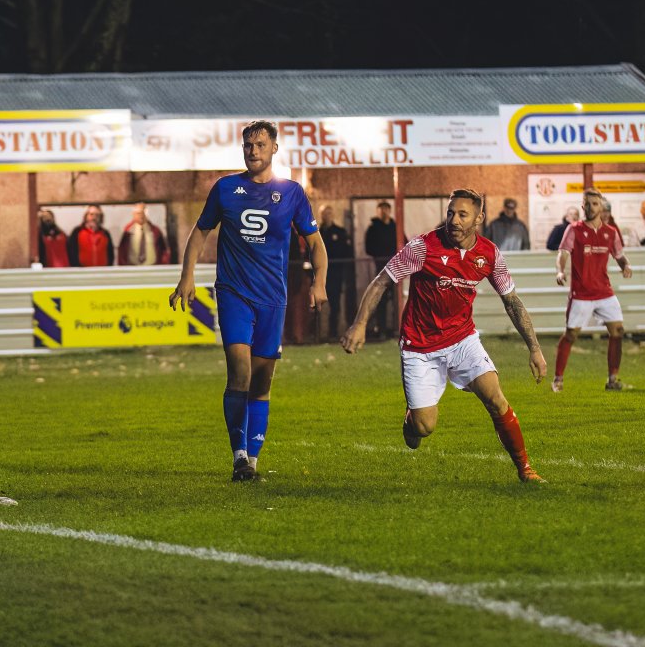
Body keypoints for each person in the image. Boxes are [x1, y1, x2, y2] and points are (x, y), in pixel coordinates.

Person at [341, 189, 547, 484]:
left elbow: (512, 302)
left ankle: (525, 469)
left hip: (462, 340)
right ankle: (412, 419)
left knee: (495, 398)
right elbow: (382, 281)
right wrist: (359, 324)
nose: (454, 220)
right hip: (420, 347)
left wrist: (535, 349)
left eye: (462, 214)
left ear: (479, 218)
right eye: (451, 213)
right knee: (423, 430)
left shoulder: (489, 254)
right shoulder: (423, 248)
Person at [170, 120, 328, 482]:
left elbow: (315, 243)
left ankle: (252, 459)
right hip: (233, 292)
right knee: (239, 370)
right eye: (247, 145)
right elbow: (200, 232)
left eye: (259, 145)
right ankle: (239, 456)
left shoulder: (291, 193)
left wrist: (320, 283)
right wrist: (187, 276)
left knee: (261, 381)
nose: (253, 151)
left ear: (274, 148)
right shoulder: (226, 188)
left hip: (272, 299)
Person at [552, 190, 633, 393]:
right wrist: (560, 271)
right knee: (571, 335)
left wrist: (625, 266)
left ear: (601, 207)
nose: (590, 207)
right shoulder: (574, 230)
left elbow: (620, 255)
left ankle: (613, 379)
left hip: (604, 292)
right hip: (581, 294)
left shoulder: (610, 232)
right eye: (587, 204)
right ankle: (558, 379)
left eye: (595, 204)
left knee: (618, 331)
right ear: (583, 207)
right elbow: (562, 253)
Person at [363, 201, 398, 338]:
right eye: (381, 209)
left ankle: (397, 328)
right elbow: (368, 248)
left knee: (397, 300)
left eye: (386, 209)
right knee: (380, 299)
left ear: (390, 211)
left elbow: (404, 243)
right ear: (377, 211)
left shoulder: (395, 227)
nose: (383, 212)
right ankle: (382, 328)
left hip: (396, 269)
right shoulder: (373, 228)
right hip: (380, 269)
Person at [318, 205, 350, 339]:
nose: (328, 215)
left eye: (330, 213)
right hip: (319, 275)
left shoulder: (340, 232)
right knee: (317, 305)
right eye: (325, 213)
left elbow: (344, 252)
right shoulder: (316, 232)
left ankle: (333, 332)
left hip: (335, 274)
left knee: (335, 304)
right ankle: (317, 333)